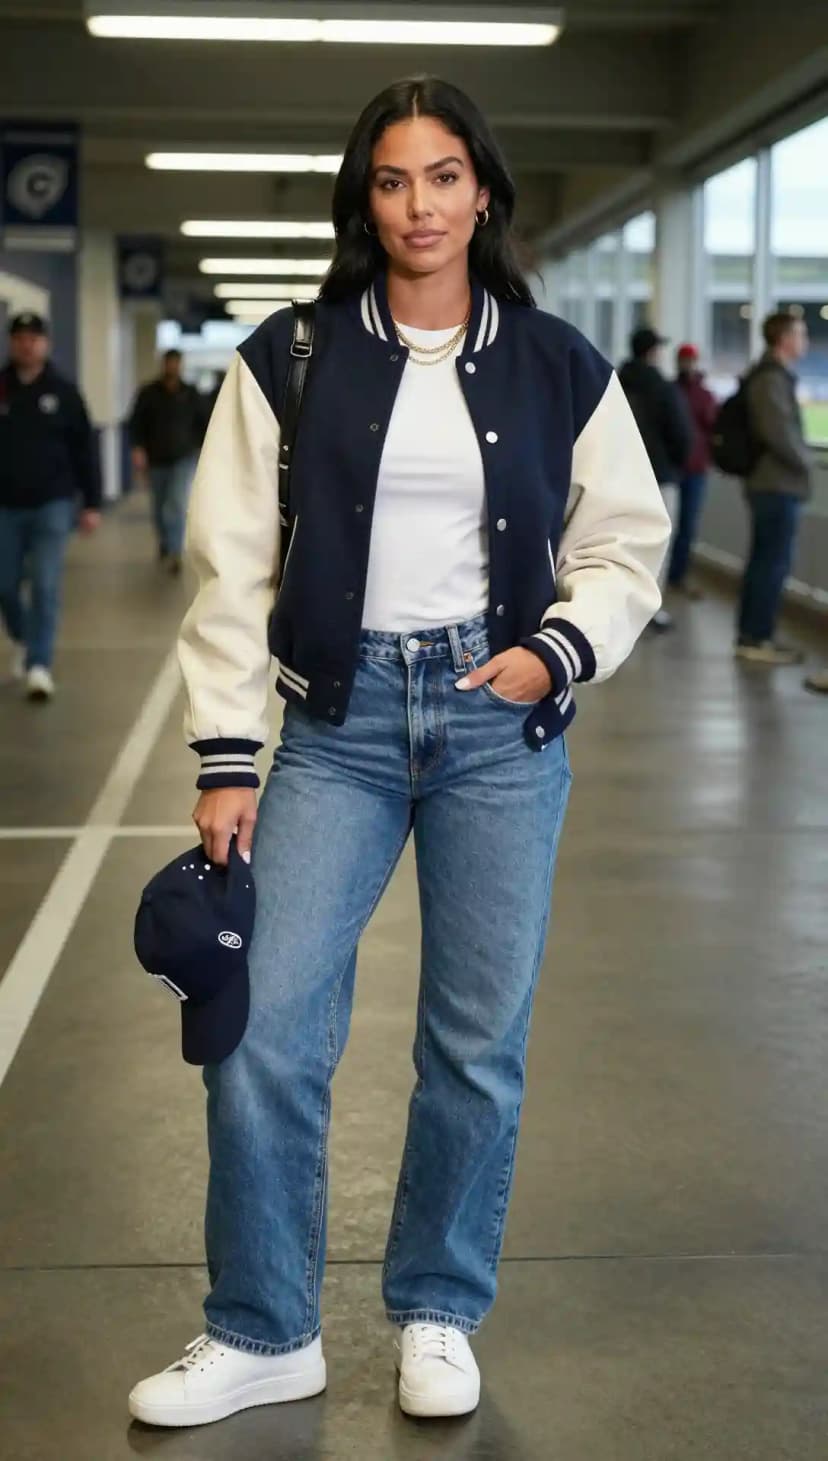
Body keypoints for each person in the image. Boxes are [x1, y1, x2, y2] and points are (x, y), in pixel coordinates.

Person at [128, 76, 670, 1430]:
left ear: (483, 190)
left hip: (498, 723)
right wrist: (226, 753)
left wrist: (559, 647)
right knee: (257, 1024)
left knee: (476, 1043)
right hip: (336, 722)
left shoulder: (558, 364)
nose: (419, 204)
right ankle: (263, 1327)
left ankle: (436, 1310)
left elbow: (625, 541)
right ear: (362, 200)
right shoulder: (291, 356)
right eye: (391, 179)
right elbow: (234, 565)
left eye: (442, 176)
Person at [0, 312, 101, 701]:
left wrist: (91, 502)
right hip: (5, 506)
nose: (27, 344)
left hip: (52, 504)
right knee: (5, 584)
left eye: (34, 338)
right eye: (20, 338)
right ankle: (24, 638)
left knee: (45, 584)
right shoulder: (2, 388)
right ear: (12, 343)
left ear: (46, 344)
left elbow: (84, 450)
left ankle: (39, 664)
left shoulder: (64, 392)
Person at [735, 312, 813, 665]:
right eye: (801, 333)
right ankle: (755, 637)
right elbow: (778, 432)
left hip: (774, 484)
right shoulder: (770, 379)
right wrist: (807, 463)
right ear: (784, 338)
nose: (806, 340)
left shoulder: (772, 376)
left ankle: (756, 634)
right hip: (775, 484)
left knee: (767, 562)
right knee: (770, 564)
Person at [618, 326, 692, 631]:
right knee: (658, 542)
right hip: (659, 475)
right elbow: (681, 433)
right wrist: (676, 463)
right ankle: (649, 610)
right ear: (652, 352)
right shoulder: (661, 386)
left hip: (620, 474)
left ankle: (619, 604)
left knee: (622, 543)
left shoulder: (615, 381)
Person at [129, 349, 203, 574]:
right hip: (156, 459)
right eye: (169, 363)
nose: (173, 367)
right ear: (164, 365)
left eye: (176, 363)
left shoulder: (191, 394)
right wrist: (138, 449)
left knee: (176, 504)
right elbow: (136, 423)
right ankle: (165, 541)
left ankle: (174, 552)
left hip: (183, 457)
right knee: (159, 507)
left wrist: (199, 447)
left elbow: (203, 421)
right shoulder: (148, 393)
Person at [668, 344, 717, 598]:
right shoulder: (670, 390)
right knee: (667, 526)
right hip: (672, 469)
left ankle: (677, 576)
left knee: (687, 526)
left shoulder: (704, 394)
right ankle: (664, 575)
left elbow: (713, 426)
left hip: (695, 469)